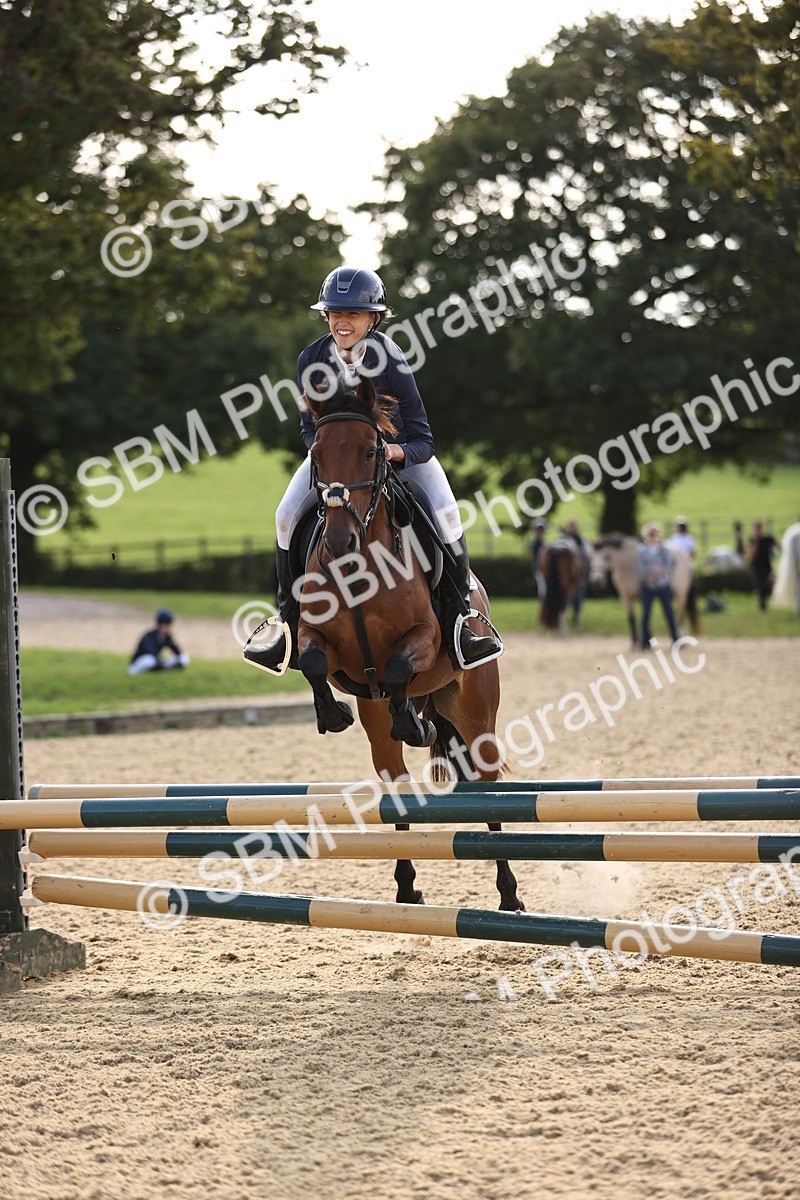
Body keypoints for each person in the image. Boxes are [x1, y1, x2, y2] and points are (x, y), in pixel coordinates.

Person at [245, 266, 500, 673]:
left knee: (448, 513)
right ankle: (287, 625)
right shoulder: (310, 359)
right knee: (285, 515)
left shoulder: (391, 360)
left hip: (398, 457)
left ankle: (461, 624)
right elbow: (308, 426)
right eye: (334, 313)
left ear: (373, 319)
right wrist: (330, 456)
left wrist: (391, 453)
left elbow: (423, 438)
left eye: (353, 315)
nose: (342, 322)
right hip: (336, 462)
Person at [636, 522, 679, 648]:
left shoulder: (664, 548)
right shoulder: (641, 549)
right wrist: (651, 572)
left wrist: (659, 571)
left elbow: (669, 564)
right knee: (646, 613)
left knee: (669, 612)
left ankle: (675, 639)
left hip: (662, 584)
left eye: (655, 533)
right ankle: (644, 641)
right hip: (648, 585)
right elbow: (641, 567)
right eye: (651, 533)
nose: (653, 535)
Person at [128, 609, 190, 675]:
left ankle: (164, 669)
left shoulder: (166, 637)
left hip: (156, 661)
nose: (167, 627)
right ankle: (157, 670)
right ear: (159, 625)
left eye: (168, 625)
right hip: (136, 666)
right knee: (150, 660)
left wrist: (170, 639)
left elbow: (178, 653)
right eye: (165, 625)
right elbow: (151, 653)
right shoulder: (148, 636)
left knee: (184, 658)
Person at [666, 515, 699, 634]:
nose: (680, 528)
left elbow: (692, 554)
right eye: (679, 526)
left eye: (682, 526)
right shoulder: (672, 539)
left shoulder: (689, 539)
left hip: (687, 567)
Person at [560, 518, 591, 628]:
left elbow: (586, 555)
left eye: (573, 526)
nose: (571, 528)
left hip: (579, 576)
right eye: (569, 526)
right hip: (565, 578)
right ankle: (562, 617)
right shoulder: (561, 540)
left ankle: (576, 618)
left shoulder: (581, 540)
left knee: (578, 598)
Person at [746, 520, 779, 611]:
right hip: (756, 567)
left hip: (766, 565)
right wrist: (757, 541)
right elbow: (752, 554)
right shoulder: (753, 540)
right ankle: (762, 606)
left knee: (768, 584)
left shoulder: (767, 539)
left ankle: (768, 602)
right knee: (760, 585)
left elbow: (777, 547)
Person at [528, 520, 547, 599]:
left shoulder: (539, 542)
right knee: (543, 589)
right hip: (540, 568)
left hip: (541, 568)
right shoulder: (537, 543)